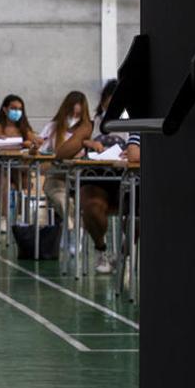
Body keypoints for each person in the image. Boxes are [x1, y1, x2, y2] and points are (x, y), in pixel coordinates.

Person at [80, 80, 141, 274]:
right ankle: (101, 248)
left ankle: (124, 253)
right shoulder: (93, 123)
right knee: (91, 207)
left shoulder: (133, 120)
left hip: (129, 177)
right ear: (104, 100)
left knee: (140, 217)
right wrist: (86, 142)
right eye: (111, 100)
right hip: (97, 177)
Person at [0, 94, 41, 229]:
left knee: (25, 181)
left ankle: (21, 217)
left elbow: (35, 144)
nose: (17, 112)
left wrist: (32, 144)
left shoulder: (24, 129)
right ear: (5, 109)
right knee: (3, 180)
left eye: (20, 109)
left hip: (17, 167)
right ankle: (4, 217)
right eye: (13, 108)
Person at [38, 91, 94, 223]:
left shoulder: (89, 129)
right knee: (61, 199)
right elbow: (41, 155)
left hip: (81, 178)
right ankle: (72, 227)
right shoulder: (52, 128)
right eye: (71, 114)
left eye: (78, 115)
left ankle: (74, 228)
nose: (74, 118)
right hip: (58, 176)